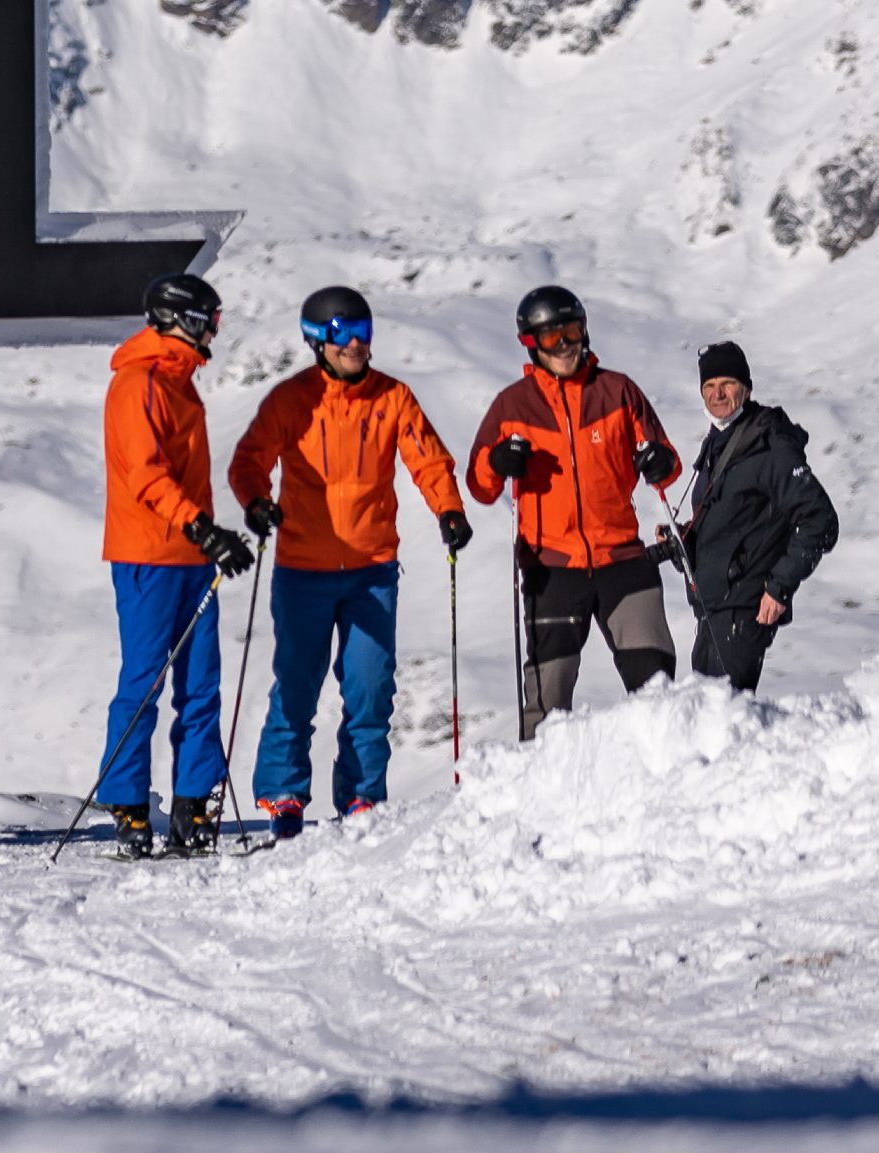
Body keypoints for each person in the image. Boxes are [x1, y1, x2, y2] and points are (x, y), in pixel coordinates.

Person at [228, 286, 466, 837]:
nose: (357, 344)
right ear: (317, 341)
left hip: (371, 569)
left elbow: (428, 460)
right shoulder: (293, 400)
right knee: (296, 683)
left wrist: (448, 509)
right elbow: (249, 461)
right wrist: (257, 502)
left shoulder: (392, 398)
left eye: (364, 332)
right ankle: (283, 793)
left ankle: (361, 797)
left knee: (369, 687)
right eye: (343, 334)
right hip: (303, 568)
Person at [467, 285, 679, 729]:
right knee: (548, 697)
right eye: (550, 337)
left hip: (622, 559)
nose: (564, 344)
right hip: (552, 567)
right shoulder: (513, 405)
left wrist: (659, 460)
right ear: (531, 343)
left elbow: (665, 462)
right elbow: (480, 486)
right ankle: (540, 786)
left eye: (572, 330)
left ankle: (669, 773)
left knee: (656, 686)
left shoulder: (618, 392)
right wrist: (497, 462)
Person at [94, 271, 254, 857]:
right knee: (144, 681)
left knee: (202, 683)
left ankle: (193, 803)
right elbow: (145, 475)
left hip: (189, 553)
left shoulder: (181, 384)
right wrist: (201, 529)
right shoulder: (137, 383)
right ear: (181, 318)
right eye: (208, 319)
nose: (214, 330)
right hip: (147, 555)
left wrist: (208, 535)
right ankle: (129, 806)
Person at [667, 341, 838, 692]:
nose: (718, 394)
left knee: (725, 723)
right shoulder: (719, 442)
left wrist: (778, 589)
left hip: (744, 612)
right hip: (711, 611)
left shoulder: (769, 444)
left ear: (746, 388)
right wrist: (683, 540)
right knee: (711, 722)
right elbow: (733, 525)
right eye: (709, 387)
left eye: (727, 384)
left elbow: (820, 520)